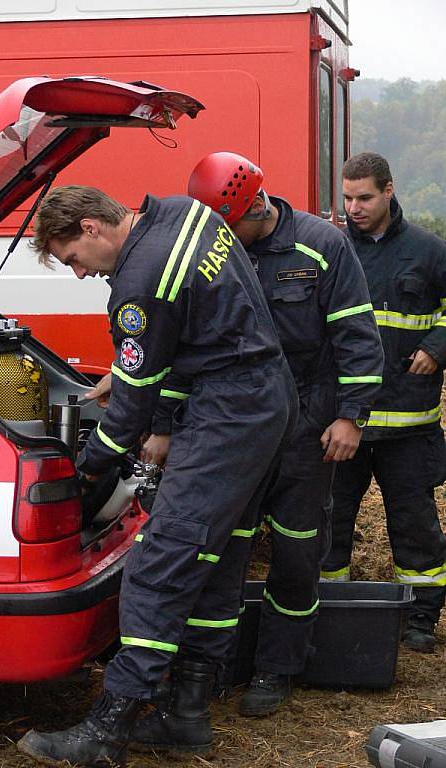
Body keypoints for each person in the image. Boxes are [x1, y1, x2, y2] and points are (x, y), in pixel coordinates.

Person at [17, 185, 298, 768]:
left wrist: (87, 468)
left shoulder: (138, 285)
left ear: (91, 227)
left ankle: (106, 728)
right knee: (216, 555)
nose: (77, 274)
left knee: (156, 566)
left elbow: (130, 414)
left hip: (227, 414)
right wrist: (129, 375)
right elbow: (190, 328)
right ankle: (188, 712)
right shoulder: (181, 212)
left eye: (72, 259)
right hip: (264, 395)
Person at [185, 152, 384, 717]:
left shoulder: (321, 246)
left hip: (307, 430)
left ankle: (277, 668)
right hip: (238, 431)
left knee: (298, 554)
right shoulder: (218, 252)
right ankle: (211, 668)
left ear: (253, 207)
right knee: (223, 551)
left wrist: (351, 416)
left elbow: (356, 336)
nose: (222, 239)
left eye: (228, 226)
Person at [321, 152, 446, 653]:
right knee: (330, 518)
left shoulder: (428, 251)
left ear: (389, 191)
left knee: (414, 524)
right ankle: (329, 605)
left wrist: (437, 348)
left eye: (365, 197)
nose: (353, 207)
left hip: (410, 424)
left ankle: (419, 617)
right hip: (343, 418)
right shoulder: (329, 249)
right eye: (347, 197)